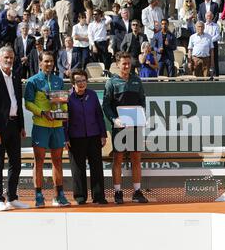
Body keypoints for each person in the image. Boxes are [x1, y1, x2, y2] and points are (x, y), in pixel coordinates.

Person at [0, 46, 29, 211]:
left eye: (11, 58)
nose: (9, 60)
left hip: (14, 126)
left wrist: (22, 125)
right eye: (6, 58)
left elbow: (17, 102)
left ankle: (13, 198)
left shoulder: (16, 76)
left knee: (16, 164)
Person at [24, 51, 71, 207]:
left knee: (57, 161)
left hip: (57, 127)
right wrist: (42, 112)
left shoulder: (58, 80)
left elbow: (63, 102)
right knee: (39, 162)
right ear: (40, 62)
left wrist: (64, 113)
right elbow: (28, 103)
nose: (49, 64)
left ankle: (59, 194)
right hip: (41, 126)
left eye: (51, 61)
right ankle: (38, 195)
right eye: (46, 61)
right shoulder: (33, 81)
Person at [102, 51, 149, 204]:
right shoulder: (111, 82)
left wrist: (142, 116)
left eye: (129, 63)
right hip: (119, 127)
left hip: (136, 126)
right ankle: (117, 192)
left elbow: (142, 101)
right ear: (117, 65)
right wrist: (114, 120)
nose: (127, 66)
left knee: (136, 158)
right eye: (124, 63)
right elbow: (106, 105)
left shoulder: (137, 81)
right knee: (118, 159)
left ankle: (136, 192)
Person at [65, 69, 108, 205]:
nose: (82, 83)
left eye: (84, 80)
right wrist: (65, 138)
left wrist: (103, 134)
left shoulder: (93, 95)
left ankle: (99, 196)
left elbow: (99, 115)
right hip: (75, 138)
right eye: (78, 81)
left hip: (94, 136)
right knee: (78, 169)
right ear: (73, 83)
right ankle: (80, 197)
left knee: (96, 167)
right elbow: (64, 120)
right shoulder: (67, 97)